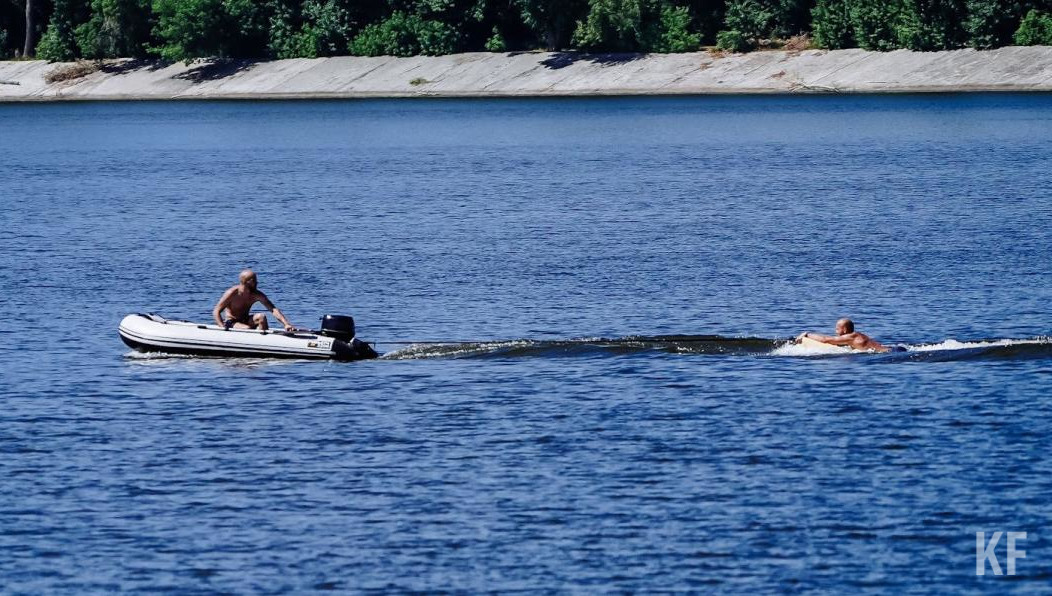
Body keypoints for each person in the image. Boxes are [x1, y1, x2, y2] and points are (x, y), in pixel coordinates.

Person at [213, 269, 294, 331]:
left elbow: (273, 309)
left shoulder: (256, 294)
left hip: (246, 319)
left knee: (261, 317)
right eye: (254, 281)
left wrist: (286, 324)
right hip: (231, 322)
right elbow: (216, 311)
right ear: (247, 282)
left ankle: (265, 340)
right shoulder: (232, 293)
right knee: (247, 328)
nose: (257, 283)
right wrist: (222, 327)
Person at [796, 318, 892, 352]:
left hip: (888, 353)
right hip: (895, 349)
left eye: (837, 329)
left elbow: (825, 339)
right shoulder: (859, 335)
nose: (835, 331)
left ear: (845, 330)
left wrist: (807, 334)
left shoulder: (851, 337)